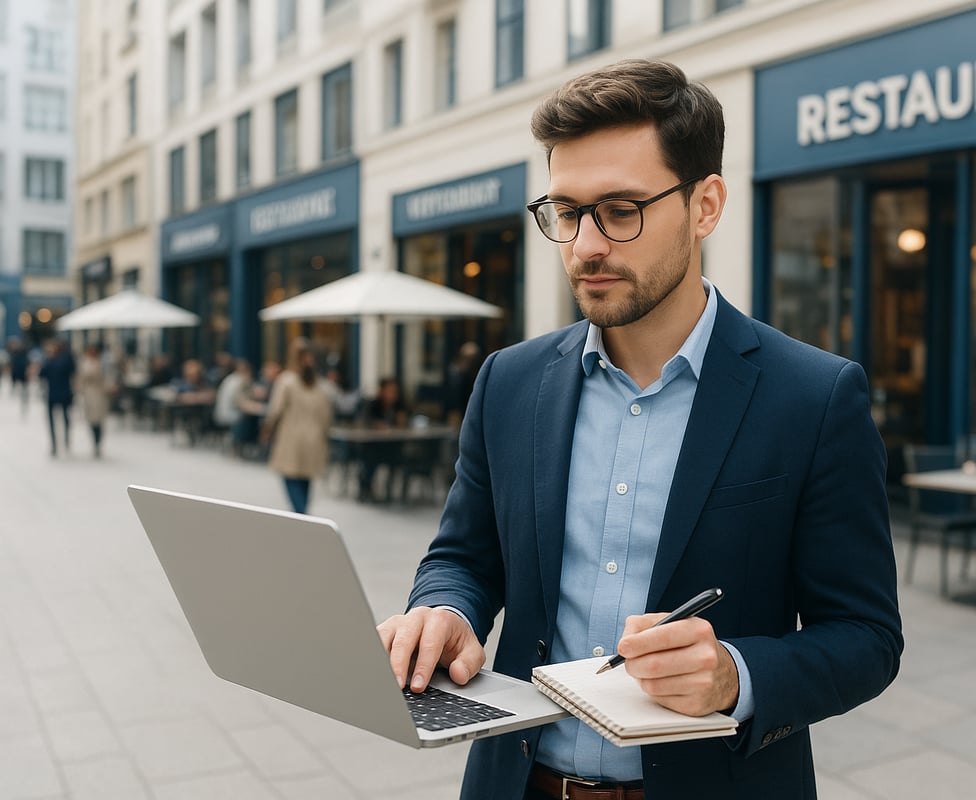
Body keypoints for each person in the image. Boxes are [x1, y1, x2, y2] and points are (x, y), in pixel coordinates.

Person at [375, 60, 902, 800]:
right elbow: (464, 555)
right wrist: (444, 609)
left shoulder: (813, 396)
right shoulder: (509, 382)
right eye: (565, 211)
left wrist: (735, 676)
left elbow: (866, 638)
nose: (586, 245)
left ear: (706, 205)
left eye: (621, 210)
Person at [261, 338, 332, 514]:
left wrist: (267, 430)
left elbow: (275, 410)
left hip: (291, 438)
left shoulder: (286, 381)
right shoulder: (320, 385)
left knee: (291, 477)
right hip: (314, 439)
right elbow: (326, 415)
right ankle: (303, 514)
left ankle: (301, 516)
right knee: (305, 479)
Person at [40, 340, 76, 457]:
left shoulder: (64, 359)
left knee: (65, 418)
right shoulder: (50, 360)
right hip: (53, 394)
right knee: (54, 420)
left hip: (63, 394)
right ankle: (55, 442)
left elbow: (70, 369)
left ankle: (64, 439)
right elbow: (42, 373)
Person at [78, 344, 111, 458]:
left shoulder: (102, 364)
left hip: (99, 395)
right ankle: (95, 442)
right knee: (92, 420)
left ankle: (98, 443)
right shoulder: (84, 363)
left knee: (99, 421)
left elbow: (106, 379)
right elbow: (81, 380)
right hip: (89, 395)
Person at [6, 337, 31, 416]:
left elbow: (27, 363)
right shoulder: (13, 354)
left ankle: (24, 400)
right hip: (17, 374)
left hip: (22, 374)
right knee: (19, 388)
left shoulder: (23, 353)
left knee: (24, 389)